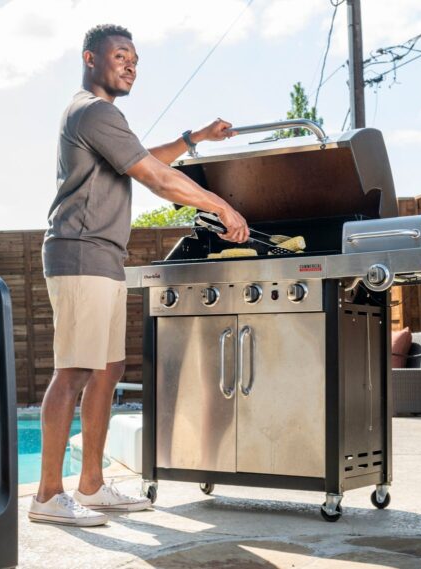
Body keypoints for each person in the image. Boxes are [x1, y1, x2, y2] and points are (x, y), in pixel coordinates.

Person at [29, 23, 250, 527]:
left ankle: (90, 486)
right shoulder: (94, 110)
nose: (131, 65)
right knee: (75, 371)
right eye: (121, 55)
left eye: (135, 59)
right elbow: (155, 178)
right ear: (91, 59)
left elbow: (146, 160)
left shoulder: (103, 119)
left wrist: (194, 138)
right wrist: (221, 206)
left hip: (104, 255)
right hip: (80, 252)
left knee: (107, 370)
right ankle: (46, 494)